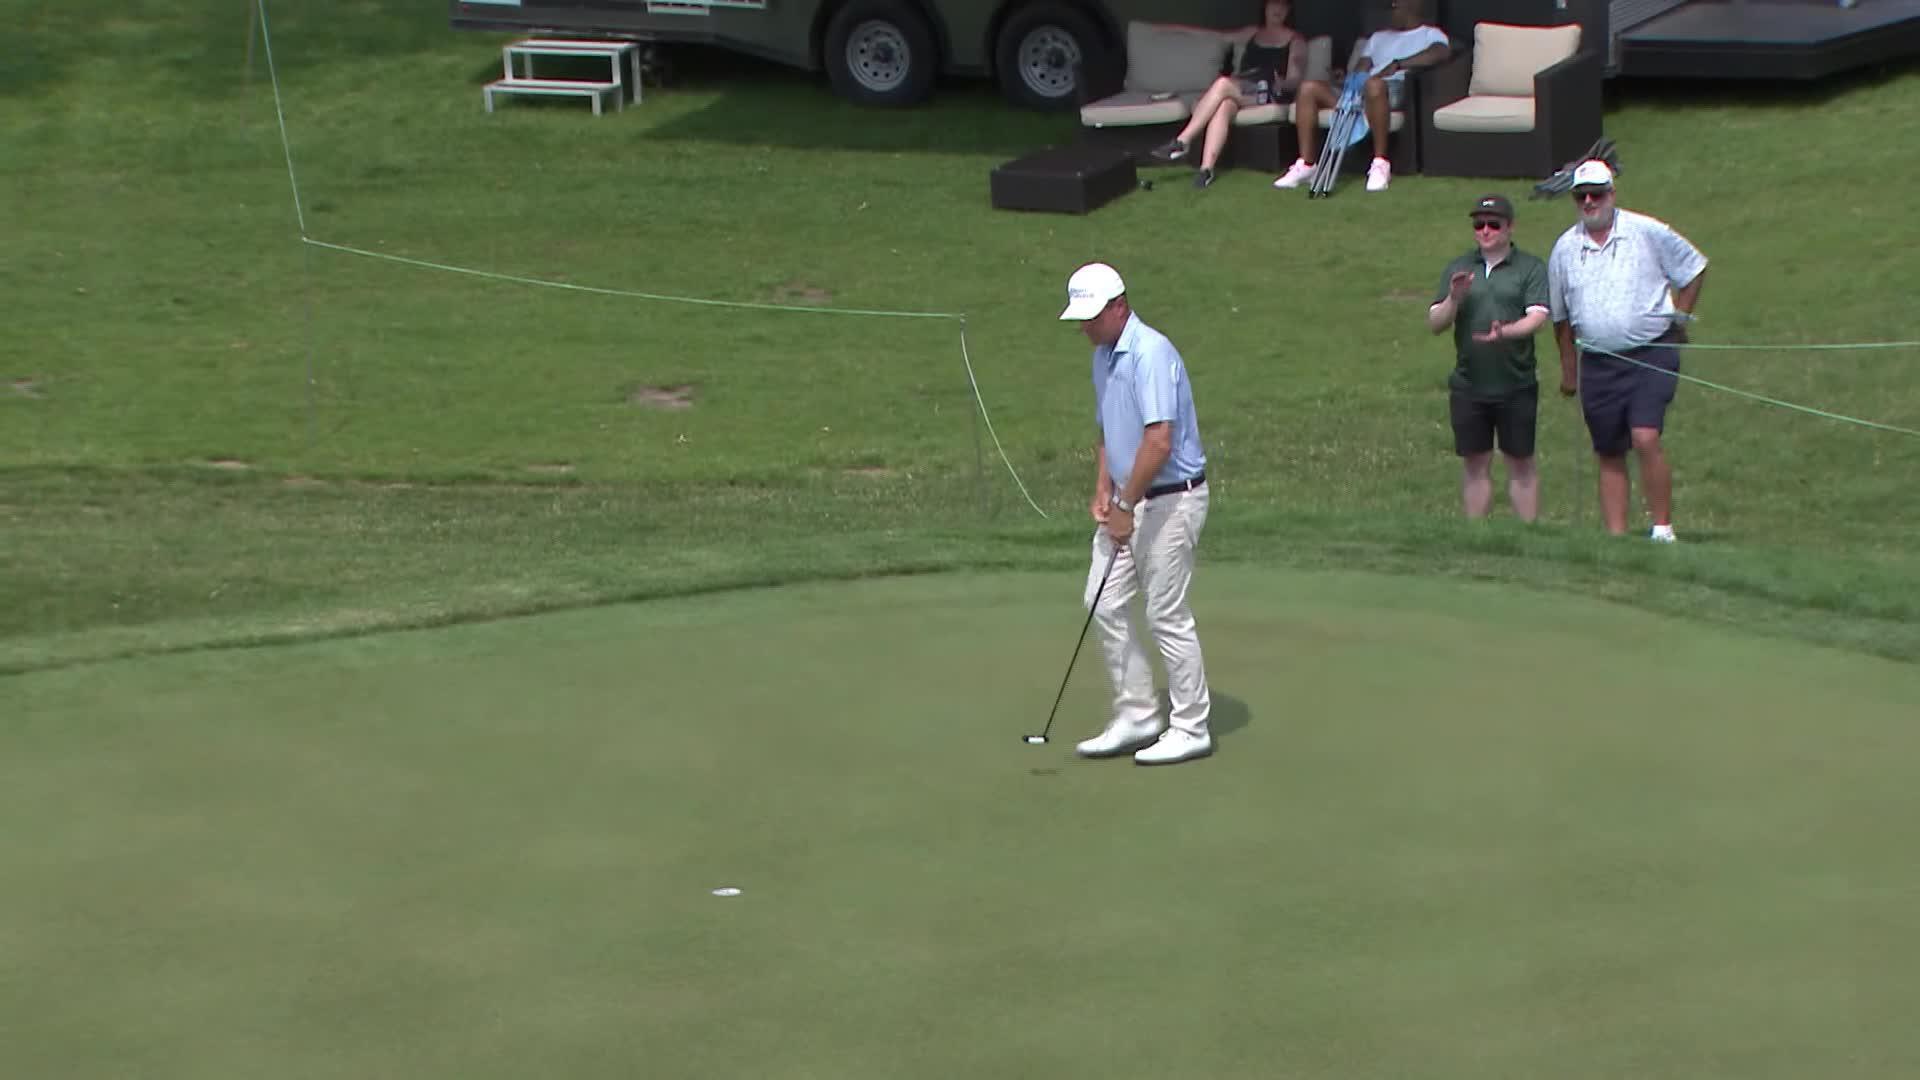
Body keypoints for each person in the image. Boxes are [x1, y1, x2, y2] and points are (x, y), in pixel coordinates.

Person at [1057, 262, 1215, 766]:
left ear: (1120, 306)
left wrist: (1126, 504)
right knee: (1102, 601)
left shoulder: (1151, 352)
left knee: (1165, 612)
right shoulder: (1102, 356)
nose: (1084, 326)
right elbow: (1109, 429)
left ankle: (1190, 726)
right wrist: (1104, 489)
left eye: (1092, 316)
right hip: (1130, 498)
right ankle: (1138, 713)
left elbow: (1159, 439)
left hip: (1172, 498)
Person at [1549, 160, 1708, 542]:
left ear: (1611, 194)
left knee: (1645, 437)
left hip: (1652, 352)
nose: (1589, 202)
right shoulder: (1565, 249)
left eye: (1596, 194)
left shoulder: (1646, 231)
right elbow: (1561, 318)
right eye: (1581, 196)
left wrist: (1681, 319)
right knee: (1608, 448)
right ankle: (1617, 541)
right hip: (1598, 362)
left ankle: (1662, 530)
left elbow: (1693, 267)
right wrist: (1569, 371)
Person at [1427, 193, 1551, 521]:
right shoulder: (1459, 267)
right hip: (1469, 383)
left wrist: (1505, 333)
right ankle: (1476, 535)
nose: (1485, 230)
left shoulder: (1530, 267)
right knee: (1475, 463)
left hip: (1516, 382)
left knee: (1521, 463)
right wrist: (1454, 299)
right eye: (1479, 224)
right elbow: (1436, 323)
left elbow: (1537, 318)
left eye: (1493, 224)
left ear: (1510, 227)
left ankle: (1527, 534)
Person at [1271, 0, 1449, 193]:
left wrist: (1399, 65)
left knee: (1374, 85)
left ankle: (1380, 163)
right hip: (1360, 91)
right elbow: (1361, 69)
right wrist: (1344, 78)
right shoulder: (1378, 37)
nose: (1390, 12)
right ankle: (1307, 164)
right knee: (1308, 89)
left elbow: (1440, 53)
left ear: (1411, 7)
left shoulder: (1430, 34)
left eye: (1394, 7)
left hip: (1391, 89)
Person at [1147, 0, 1306, 190]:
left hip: (1270, 90)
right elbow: (1210, 35)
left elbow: (1295, 80)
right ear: (1265, 6)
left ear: (1288, 11)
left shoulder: (1295, 39)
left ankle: (1183, 141)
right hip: (1243, 87)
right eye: (1274, 3)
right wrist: (1165, 29)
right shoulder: (1252, 33)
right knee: (1224, 105)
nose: (1278, 9)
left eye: (1283, 6)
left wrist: (1282, 82)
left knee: (1222, 84)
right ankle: (1206, 170)